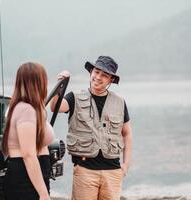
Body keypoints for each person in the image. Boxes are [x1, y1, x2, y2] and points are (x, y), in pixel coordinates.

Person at [50, 56, 133, 200]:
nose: (98, 77)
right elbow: (54, 107)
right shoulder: (74, 97)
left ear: (111, 80)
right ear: (91, 72)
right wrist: (60, 84)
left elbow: (127, 134)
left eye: (104, 75)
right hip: (85, 171)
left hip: (113, 173)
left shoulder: (119, 102)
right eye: (96, 72)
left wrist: (125, 165)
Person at [2, 62, 54, 200]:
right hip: (25, 179)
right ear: (37, 83)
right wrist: (43, 194)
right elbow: (28, 155)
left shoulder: (28, 108)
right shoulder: (26, 110)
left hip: (32, 176)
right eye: (44, 79)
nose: (47, 83)